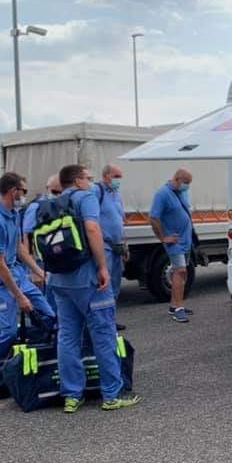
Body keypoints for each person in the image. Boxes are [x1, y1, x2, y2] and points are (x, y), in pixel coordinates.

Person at [50, 164, 140, 413]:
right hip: (88, 279)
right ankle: (111, 395)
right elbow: (92, 228)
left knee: (68, 337)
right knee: (104, 334)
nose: (91, 182)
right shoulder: (85, 198)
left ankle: (72, 395)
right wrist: (102, 266)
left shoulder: (52, 203)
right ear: (78, 181)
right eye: (87, 178)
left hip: (60, 280)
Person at [0, 173, 54, 366]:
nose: (25, 195)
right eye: (23, 191)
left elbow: (19, 247)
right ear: (13, 191)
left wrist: (39, 272)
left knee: (49, 316)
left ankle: (35, 359)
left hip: (16, 272)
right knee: (8, 332)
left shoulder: (13, 214)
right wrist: (20, 297)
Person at [150, 169, 194, 323]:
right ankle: (179, 309)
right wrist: (163, 237)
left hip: (185, 240)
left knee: (183, 272)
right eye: (186, 183)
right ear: (177, 179)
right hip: (174, 241)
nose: (187, 186)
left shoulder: (180, 192)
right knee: (179, 271)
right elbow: (153, 218)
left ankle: (174, 305)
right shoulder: (162, 194)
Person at [22, 174, 61, 308]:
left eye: (60, 192)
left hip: (57, 259)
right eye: (55, 192)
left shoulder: (63, 204)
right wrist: (34, 269)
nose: (58, 195)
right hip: (40, 261)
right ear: (47, 188)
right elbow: (28, 236)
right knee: (42, 302)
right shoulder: (36, 207)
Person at [97, 164, 129, 306]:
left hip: (117, 246)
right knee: (105, 282)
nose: (119, 180)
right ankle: (103, 314)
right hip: (104, 245)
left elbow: (120, 221)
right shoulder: (97, 191)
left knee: (116, 282)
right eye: (116, 176)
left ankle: (111, 314)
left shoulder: (116, 194)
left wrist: (125, 246)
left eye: (120, 177)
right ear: (106, 176)